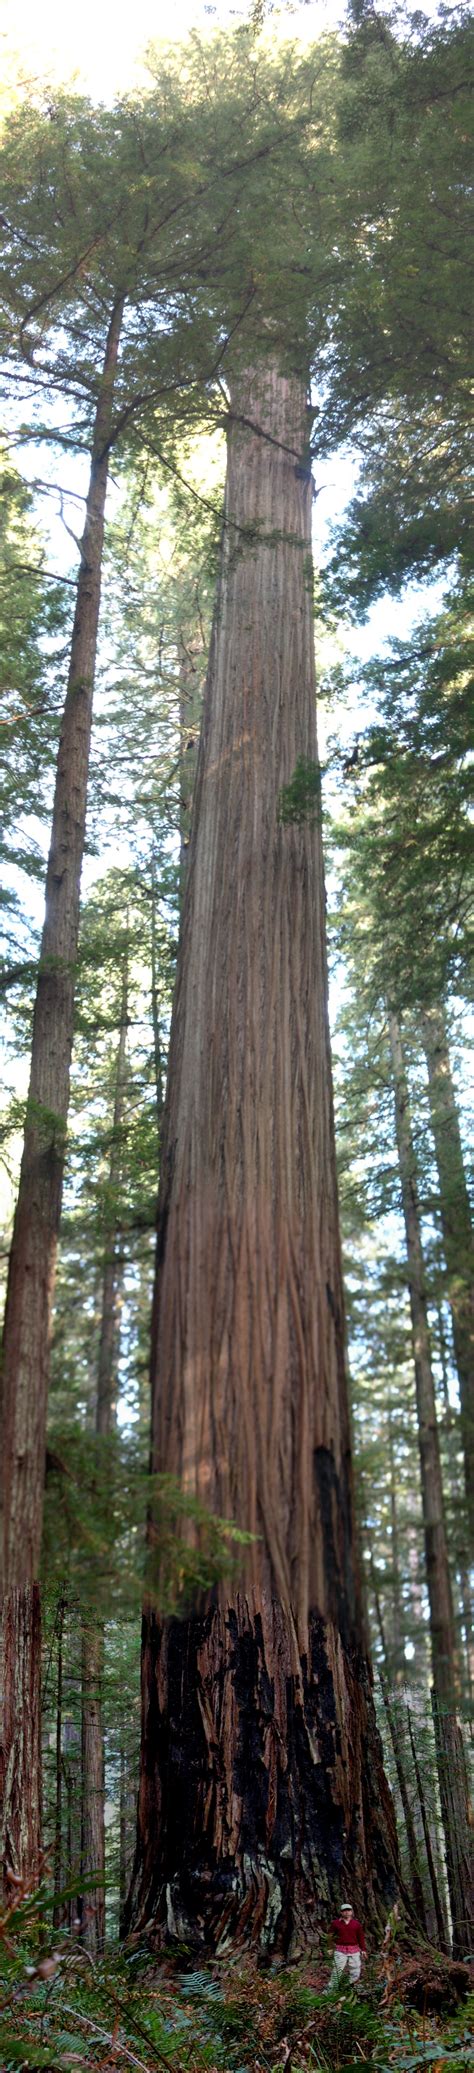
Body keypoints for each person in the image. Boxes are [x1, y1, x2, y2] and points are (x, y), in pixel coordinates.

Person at [328, 1900, 366, 1988]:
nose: (347, 1912)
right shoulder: (335, 1923)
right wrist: (330, 1948)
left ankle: (348, 1985)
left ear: (352, 1912)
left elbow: (361, 1938)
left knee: (356, 1969)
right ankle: (331, 1989)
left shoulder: (356, 1924)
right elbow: (330, 1936)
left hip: (354, 1950)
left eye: (349, 1910)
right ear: (341, 1912)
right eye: (344, 1910)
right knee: (337, 1970)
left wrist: (363, 1949)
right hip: (340, 1950)